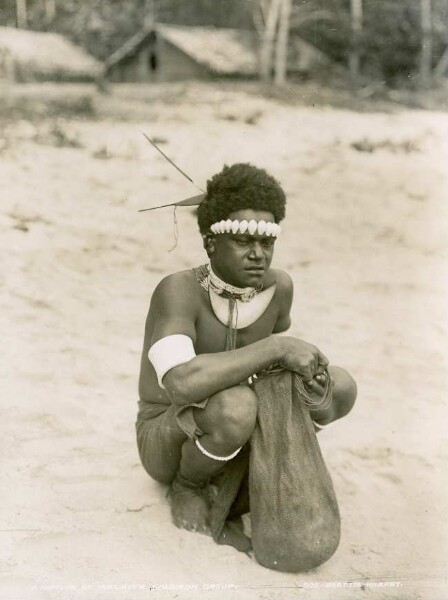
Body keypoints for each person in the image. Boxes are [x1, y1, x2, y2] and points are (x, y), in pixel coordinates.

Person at [136, 163, 357, 541]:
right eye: (242, 242)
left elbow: (267, 364)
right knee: (235, 406)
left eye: (266, 243)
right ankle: (189, 487)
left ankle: (261, 473)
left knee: (338, 387)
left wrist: (304, 380)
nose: (257, 255)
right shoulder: (178, 290)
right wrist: (275, 348)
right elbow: (180, 385)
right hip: (169, 434)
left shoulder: (279, 289)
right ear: (210, 243)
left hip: (239, 421)